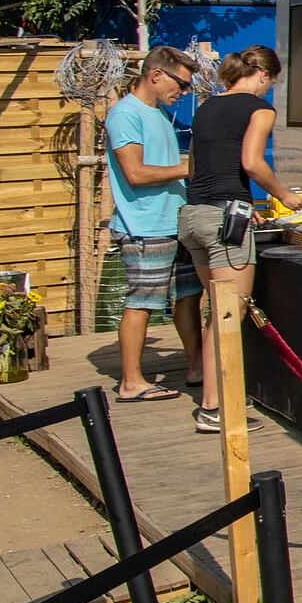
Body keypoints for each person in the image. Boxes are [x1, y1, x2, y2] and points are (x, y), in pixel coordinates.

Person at [179, 45, 302, 435]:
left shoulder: (206, 106)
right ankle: (216, 408)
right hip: (224, 221)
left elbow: (196, 167)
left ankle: (211, 399)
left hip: (193, 215)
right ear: (264, 76)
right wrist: (283, 194)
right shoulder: (259, 108)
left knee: (216, 311)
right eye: (272, 81)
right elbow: (252, 162)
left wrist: (242, 200)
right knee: (230, 314)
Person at [104, 46, 201, 402]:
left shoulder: (159, 114)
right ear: (156, 75)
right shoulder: (124, 114)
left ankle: (197, 368)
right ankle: (131, 382)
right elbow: (136, 173)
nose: (185, 91)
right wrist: (192, 167)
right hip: (144, 225)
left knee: (188, 297)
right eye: (182, 83)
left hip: (174, 221)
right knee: (143, 301)